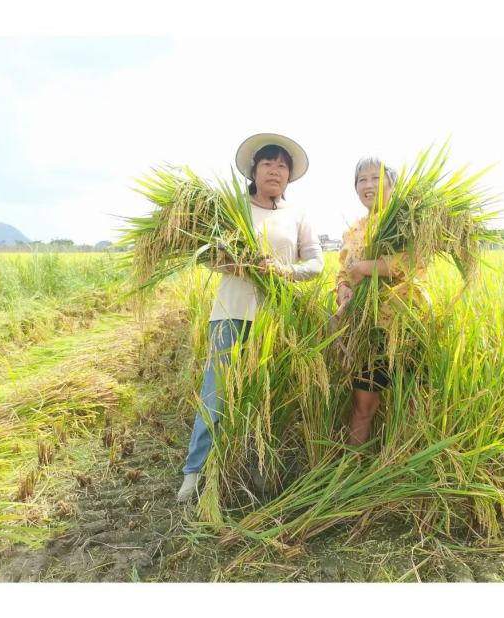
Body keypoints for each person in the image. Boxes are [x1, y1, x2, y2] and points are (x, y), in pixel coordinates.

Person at [177, 133, 324, 502]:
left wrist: (283, 270)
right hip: (230, 314)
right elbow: (209, 255)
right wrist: (236, 264)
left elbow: (317, 264)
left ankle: (257, 469)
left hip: (275, 320)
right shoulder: (232, 209)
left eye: (282, 165)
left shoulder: (298, 215)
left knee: (265, 396)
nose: (275, 170)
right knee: (216, 393)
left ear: (289, 176)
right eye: (267, 164)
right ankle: (194, 473)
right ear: (253, 171)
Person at [334, 157, 431, 446]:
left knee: (412, 401)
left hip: (405, 326)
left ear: (392, 183)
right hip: (368, 330)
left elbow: (414, 262)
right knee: (363, 404)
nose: (368, 185)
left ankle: (406, 468)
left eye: (375, 178)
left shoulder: (406, 220)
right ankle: (351, 473)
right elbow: (342, 269)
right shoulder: (354, 231)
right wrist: (342, 288)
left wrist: (366, 267)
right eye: (361, 180)